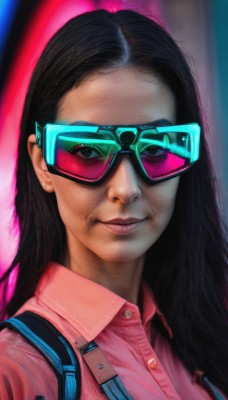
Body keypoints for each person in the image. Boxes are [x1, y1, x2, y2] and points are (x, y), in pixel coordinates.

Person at [0, 8, 227, 400]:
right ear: (42, 163)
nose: (126, 188)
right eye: (88, 150)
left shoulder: (202, 342)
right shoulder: (16, 374)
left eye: (156, 149)